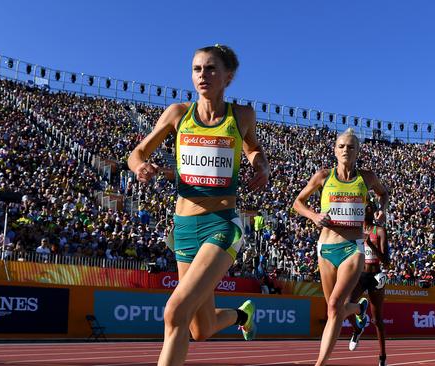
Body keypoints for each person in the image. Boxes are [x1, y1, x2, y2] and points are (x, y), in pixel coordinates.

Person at [128, 44, 269, 366]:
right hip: (184, 229)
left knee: (175, 312)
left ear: (228, 77)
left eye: (210, 69)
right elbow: (137, 154)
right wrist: (139, 167)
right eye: (196, 69)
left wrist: (261, 165)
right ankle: (240, 316)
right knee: (200, 329)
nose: (202, 75)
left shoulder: (241, 115)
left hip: (221, 224)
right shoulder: (178, 114)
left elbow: (253, 148)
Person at [293, 128, 389, 366]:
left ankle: (319, 364)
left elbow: (384, 193)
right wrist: (314, 216)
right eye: (342, 146)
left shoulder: (367, 177)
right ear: (335, 151)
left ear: (358, 151)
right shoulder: (323, 176)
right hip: (325, 249)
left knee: (335, 306)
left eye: (351, 146)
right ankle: (358, 308)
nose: (346, 150)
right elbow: (297, 202)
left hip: (352, 249)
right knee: (333, 310)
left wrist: (382, 209)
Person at [347, 201, 389, 366]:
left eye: (370, 207)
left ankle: (382, 357)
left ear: (373, 212)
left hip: (375, 276)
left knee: (377, 320)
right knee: (344, 305)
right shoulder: (354, 231)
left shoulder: (379, 231)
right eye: (364, 208)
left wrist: (370, 244)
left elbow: (387, 261)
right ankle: (357, 329)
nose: (367, 210)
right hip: (360, 275)